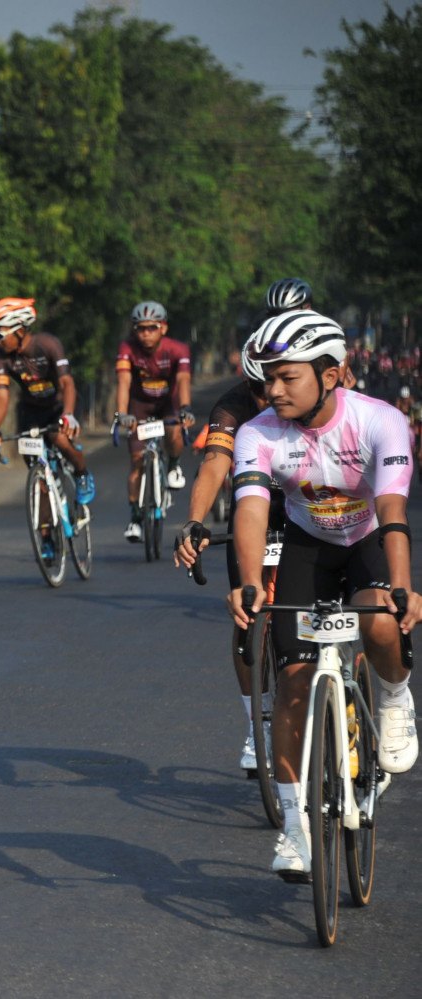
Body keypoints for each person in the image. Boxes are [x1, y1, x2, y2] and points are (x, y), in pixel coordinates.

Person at [227, 309, 421, 879]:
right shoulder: (258, 432)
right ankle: (295, 828)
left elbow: (392, 507)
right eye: (268, 378)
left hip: (367, 541)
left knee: (379, 619)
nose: (273, 389)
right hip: (308, 546)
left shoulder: (380, 421)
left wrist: (403, 586)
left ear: (330, 375)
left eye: (287, 377)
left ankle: (394, 698)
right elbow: (251, 510)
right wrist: (247, 582)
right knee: (292, 684)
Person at [173, 332, 284, 771]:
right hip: (254, 508)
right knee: (248, 620)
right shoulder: (233, 407)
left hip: (308, 506)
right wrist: (194, 521)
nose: (267, 397)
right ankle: (259, 723)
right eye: (258, 387)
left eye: (275, 382)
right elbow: (214, 464)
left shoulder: (308, 398)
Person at [0, 297, 95, 567]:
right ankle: (46, 539)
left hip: (60, 406)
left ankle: (82, 474)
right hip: (30, 412)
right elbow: (1, 392)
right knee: (40, 479)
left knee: (59, 439)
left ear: (20, 330)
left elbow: (67, 383)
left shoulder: (47, 344)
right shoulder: (1, 357)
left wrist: (68, 414)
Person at [114, 301, 193, 542]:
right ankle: (135, 518)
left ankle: (174, 465)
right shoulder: (127, 348)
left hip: (168, 403)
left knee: (174, 431)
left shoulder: (178, 349)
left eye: (152, 328)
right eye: (141, 328)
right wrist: (122, 413)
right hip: (139, 405)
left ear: (163, 328)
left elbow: (183, 380)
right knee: (136, 461)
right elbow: (124, 381)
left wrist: (186, 409)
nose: (146, 333)